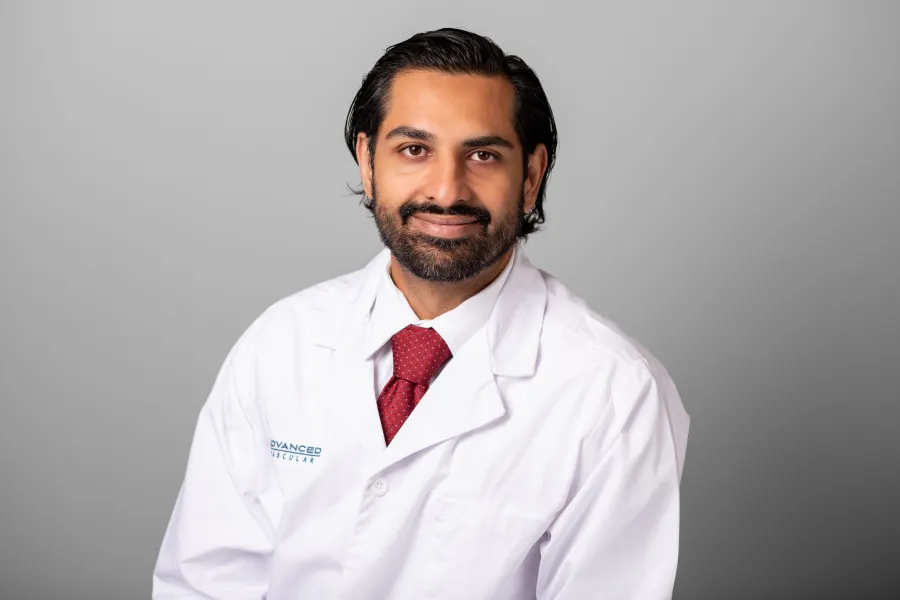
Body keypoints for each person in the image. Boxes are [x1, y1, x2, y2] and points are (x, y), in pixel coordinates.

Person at [152, 27, 690, 600]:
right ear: (367, 162)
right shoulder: (281, 343)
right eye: (414, 149)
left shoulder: (613, 392)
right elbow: (205, 583)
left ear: (531, 176)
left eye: (483, 155)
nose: (446, 190)